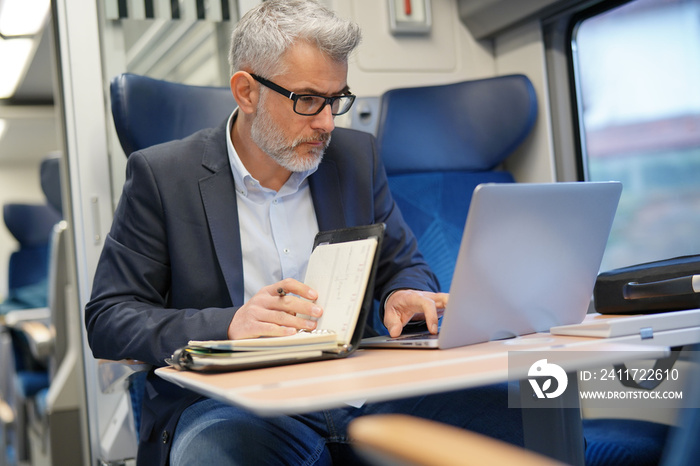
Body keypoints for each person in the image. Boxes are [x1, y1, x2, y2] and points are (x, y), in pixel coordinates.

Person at [85, 1, 523, 464]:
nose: (328, 123)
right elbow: (110, 317)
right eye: (309, 100)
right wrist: (230, 325)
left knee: (521, 410)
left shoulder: (357, 158)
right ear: (246, 92)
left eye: (337, 101)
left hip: (360, 390)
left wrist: (405, 294)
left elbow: (404, 264)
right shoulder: (162, 175)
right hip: (232, 403)